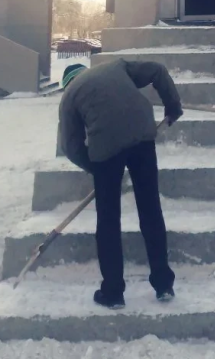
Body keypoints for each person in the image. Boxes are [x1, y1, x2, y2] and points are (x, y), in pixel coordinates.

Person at [57, 59, 184, 309]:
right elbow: (157, 70)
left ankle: (113, 292)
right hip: (142, 131)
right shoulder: (115, 66)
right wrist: (173, 106)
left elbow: (70, 147)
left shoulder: (68, 97)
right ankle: (163, 284)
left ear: (66, 84)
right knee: (150, 209)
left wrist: (97, 169)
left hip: (105, 146)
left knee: (108, 220)